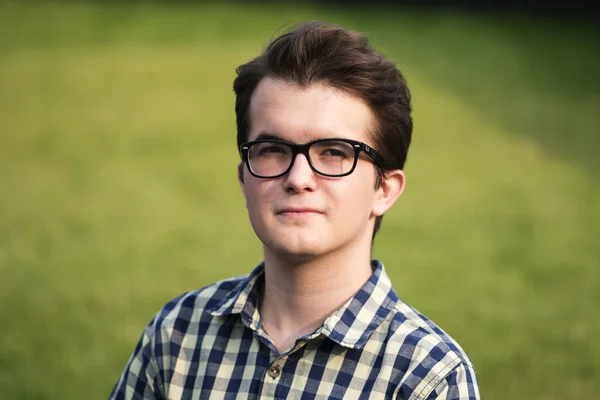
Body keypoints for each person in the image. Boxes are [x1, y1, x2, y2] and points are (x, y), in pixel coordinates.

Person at [110, 21, 480, 399]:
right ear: (244, 179)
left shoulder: (427, 376)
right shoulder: (177, 335)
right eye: (273, 150)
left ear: (384, 189)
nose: (297, 178)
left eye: (334, 152)